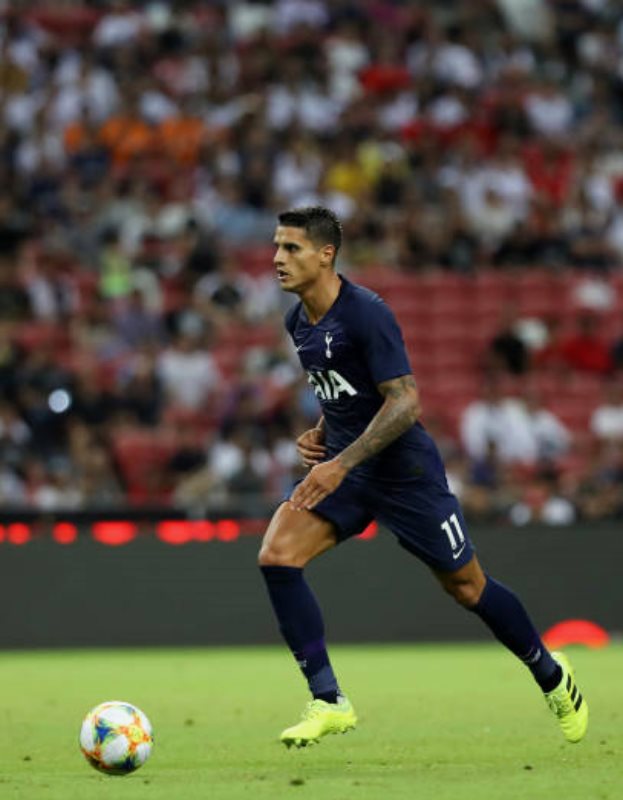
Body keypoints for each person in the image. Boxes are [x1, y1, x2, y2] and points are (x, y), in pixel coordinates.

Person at [258, 206, 588, 749]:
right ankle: (328, 700)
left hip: (403, 472)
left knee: (468, 587)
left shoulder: (367, 313)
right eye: (276, 246)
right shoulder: (298, 322)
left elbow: (405, 402)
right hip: (346, 469)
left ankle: (552, 676)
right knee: (277, 556)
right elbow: (347, 392)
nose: (277, 258)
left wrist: (340, 462)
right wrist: (320, 432)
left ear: (325, 255)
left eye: (291, 248)